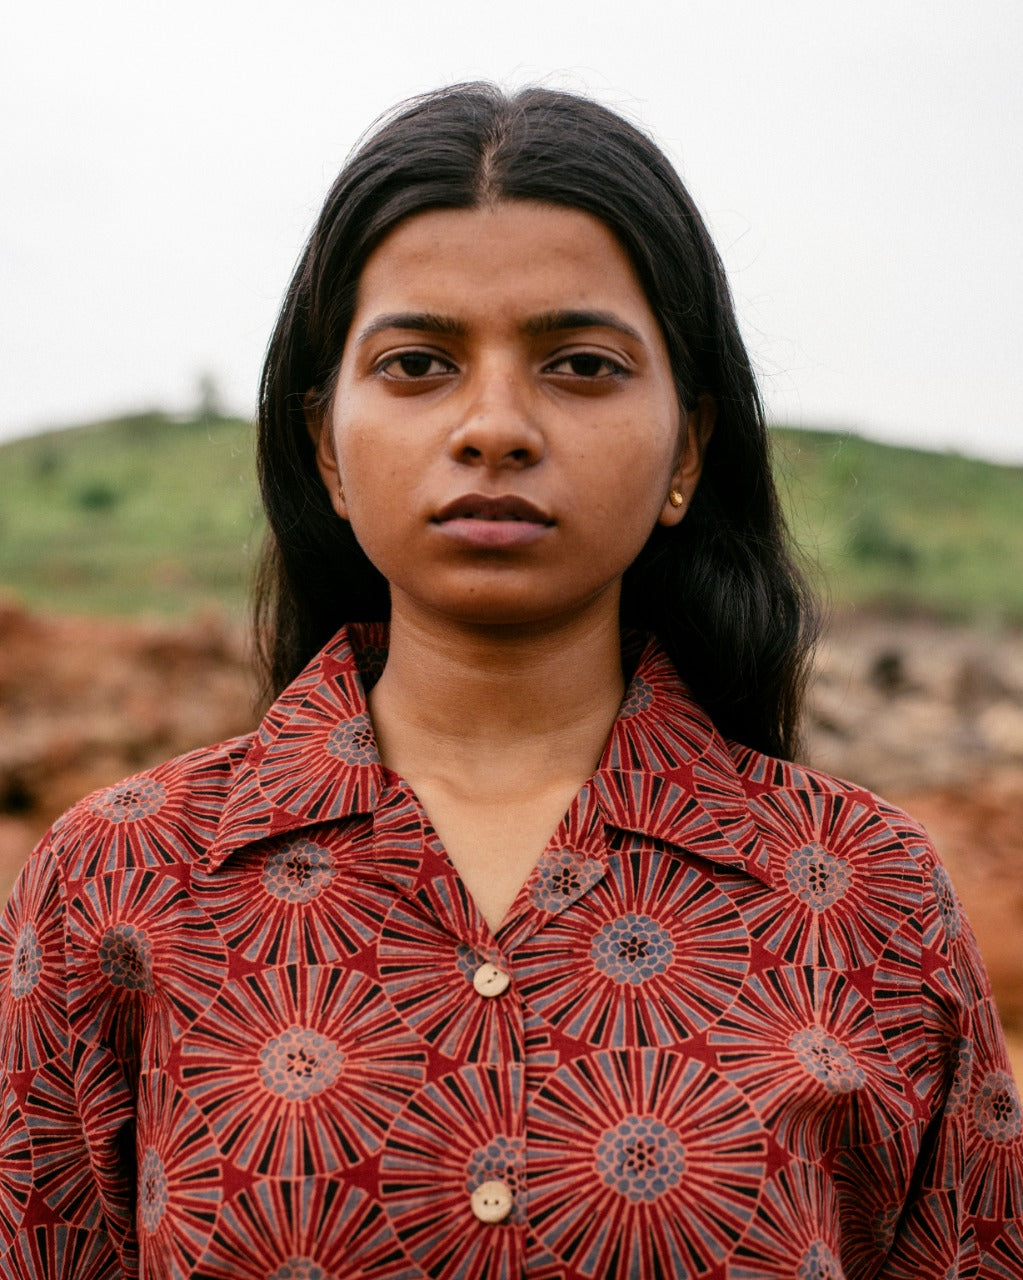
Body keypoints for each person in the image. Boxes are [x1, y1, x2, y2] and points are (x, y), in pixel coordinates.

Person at [1, 83, 1020, 1280]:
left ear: (687, 447)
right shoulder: (118, 885)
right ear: (326, 442)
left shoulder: (866, 903)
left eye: (580, 364)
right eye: (419, 362)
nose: (494, 426)